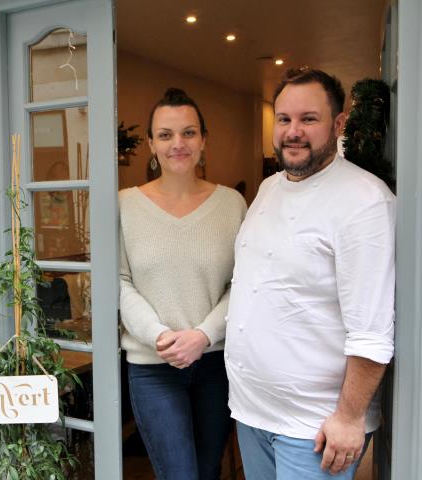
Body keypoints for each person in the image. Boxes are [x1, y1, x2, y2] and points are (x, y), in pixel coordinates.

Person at [225, 68, 396, 479]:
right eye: (283, 119)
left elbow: (372, 331)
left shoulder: (365, 201)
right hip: (251, 412)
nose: (293, 132)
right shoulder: (269, 188)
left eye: (309, 119)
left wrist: (350, 417)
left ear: (338, 124)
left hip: (315, 429)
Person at [119, 87, 247, 480]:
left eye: (189, 133)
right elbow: (120, 282)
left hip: (214, 364)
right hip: (152, 366)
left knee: (207, 472)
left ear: (204, 140)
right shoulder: (123, 204)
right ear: (152, 147)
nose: (178, 144)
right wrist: (159, 335)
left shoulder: (232, 205)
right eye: (166, 135)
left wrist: (203, 336)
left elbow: (242, 285)